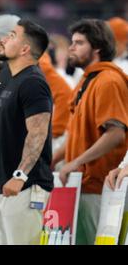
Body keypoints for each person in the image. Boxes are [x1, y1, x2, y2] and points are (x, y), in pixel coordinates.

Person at [0, 19, 54, 245]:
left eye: (11, 36)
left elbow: (38, 134)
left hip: (26, 186)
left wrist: (19, 175)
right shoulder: (8, 78)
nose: (4, 39)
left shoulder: (33, 82)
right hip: (6, 185)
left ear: (25, 49)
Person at [55, 19, 128, 245]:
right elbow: (77, 133)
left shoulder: (108, 80)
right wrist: (54, 159)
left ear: (97, 47)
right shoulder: (88, 80)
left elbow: (116, 133)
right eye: (72, 42)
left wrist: (76, 161)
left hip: (101, 187)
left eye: (79, 43)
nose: (71, 47)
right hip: (81, 183)